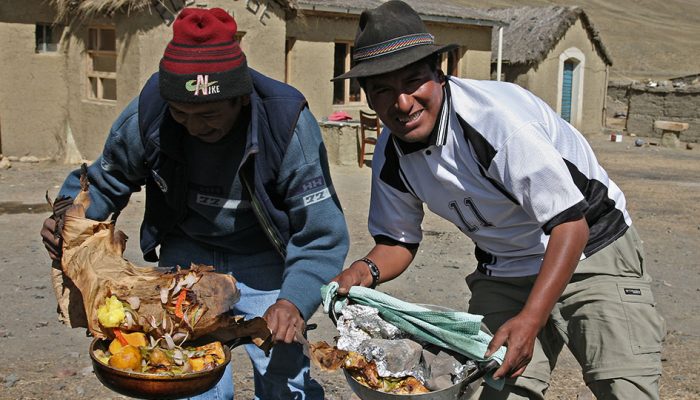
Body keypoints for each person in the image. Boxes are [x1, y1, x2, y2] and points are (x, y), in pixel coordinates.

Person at [330, 1, 665, 399]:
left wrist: (531, 319)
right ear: (367, 97)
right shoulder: (390, 154)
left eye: (413, 81)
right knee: (491, 389)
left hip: (592, 249)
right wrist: (363, 271)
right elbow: (398, 242)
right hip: (505, 269)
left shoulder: (494, 121)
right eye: (384, 90)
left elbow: (570, 225)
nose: (403, 103)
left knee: (625, 387)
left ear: (440, 73)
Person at [40, 7, 349, 400]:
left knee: (284, 376)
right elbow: (107, 179)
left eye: (208, 114)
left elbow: (320, 235)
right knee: (186, 377)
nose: (194, 126)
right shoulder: (149, 114)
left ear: (240, 98)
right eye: (181, 113)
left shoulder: (286, 124)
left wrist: (293, 301)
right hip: (188, 252)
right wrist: (69, 220)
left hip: (265, 255)